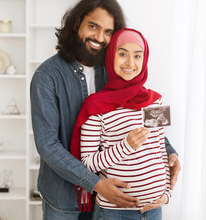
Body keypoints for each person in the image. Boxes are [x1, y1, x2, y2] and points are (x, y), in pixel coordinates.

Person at [30, 0, 180, 220]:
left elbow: (140, 120)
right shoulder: (47, 76)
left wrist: (170, 154)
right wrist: (96, 184)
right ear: (76, 24)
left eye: (108, 32)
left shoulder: (116, 69)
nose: (100, 37)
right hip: (64, 199)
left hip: (110, 203)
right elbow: (48, 145)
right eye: (93, 26)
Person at [71, 28, 171, 220]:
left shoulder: (155, 101)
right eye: (122, 54)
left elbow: (160, 151)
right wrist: (126, 146)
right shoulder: (96, 105)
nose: (130, 63)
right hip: (114, 212)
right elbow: (87, 164)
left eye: (137, 55)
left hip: (154, 210)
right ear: (111, 56)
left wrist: (167, 194)